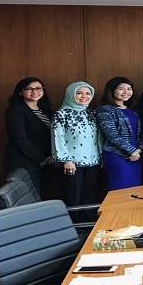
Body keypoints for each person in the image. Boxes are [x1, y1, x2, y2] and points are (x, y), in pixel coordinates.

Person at [51, 81, 102, 220]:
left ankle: (87, 227)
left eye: (88, 93)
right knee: (72, 197)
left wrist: (101, 156)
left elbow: (98, 137)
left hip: (93, 162)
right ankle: (73, 228)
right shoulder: (61, 114)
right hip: (72, 163)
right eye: (79, 93)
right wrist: (66, 160)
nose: (84, 96)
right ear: (71, 95)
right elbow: (58, 138)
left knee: (89, 195)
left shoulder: (92, 113)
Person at [4, 77, 54, 197]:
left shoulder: (45, 110)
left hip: (44, 161)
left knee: (43, 194)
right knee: (31, 198)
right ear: (20, 92)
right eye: (29, 89)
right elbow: (19, 138)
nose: (34, 91)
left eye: (38, 88)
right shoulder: (16, 110)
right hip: (24, 161)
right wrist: (40, 158)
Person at [96, 77, 143, 190]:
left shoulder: (135, 111)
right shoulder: (104, 110)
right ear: (111, 90)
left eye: (129, 88)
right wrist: (131, 151)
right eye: (121, 89)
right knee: (120, 190)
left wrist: (139, 150)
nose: (126, 92)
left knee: (135, 189)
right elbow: (111, 135)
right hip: (117, 156)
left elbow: (142, 133)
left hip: (137, 156)